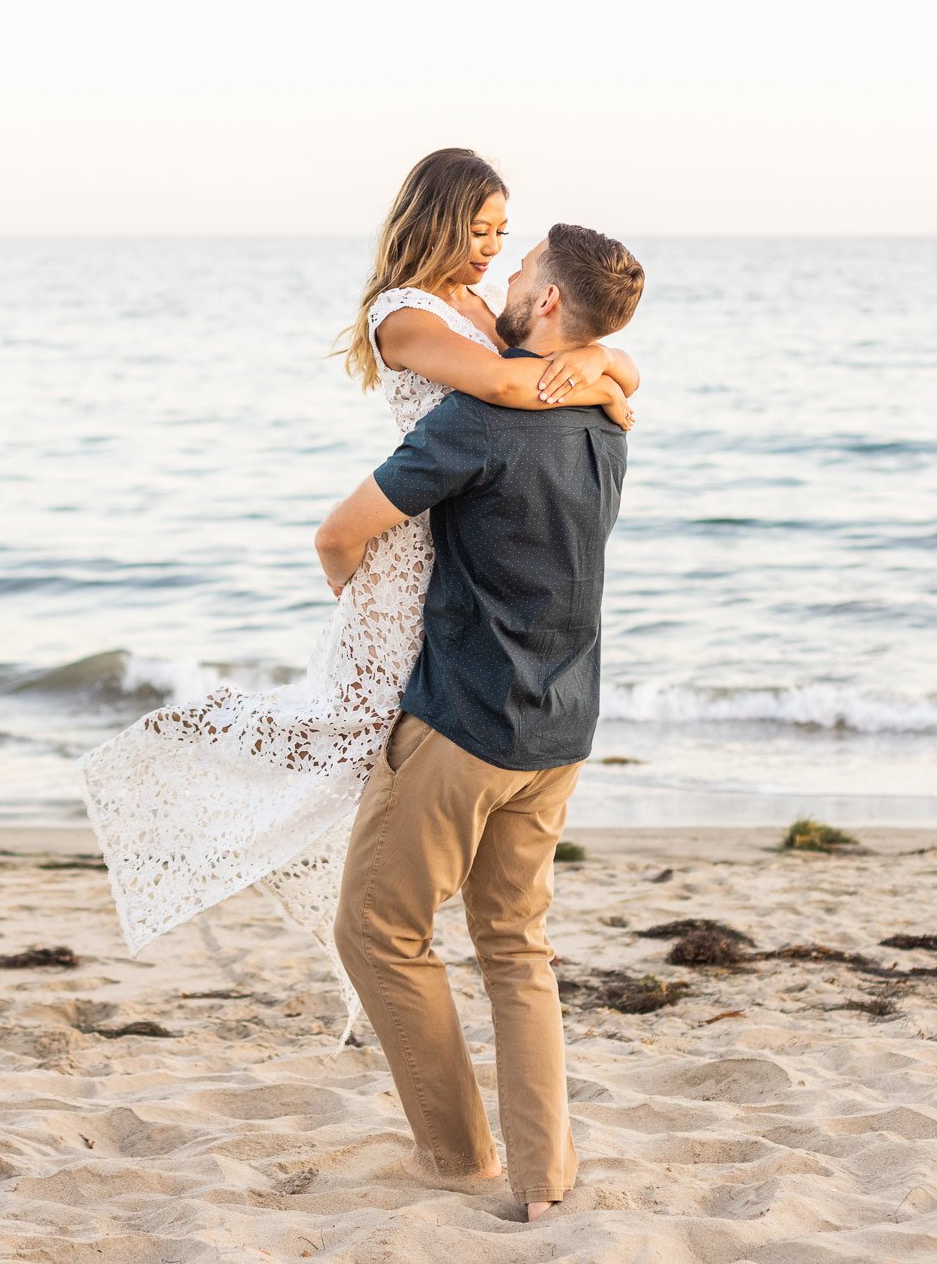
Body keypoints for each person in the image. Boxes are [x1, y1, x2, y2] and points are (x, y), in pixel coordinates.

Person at [75, 150, 641, 1047]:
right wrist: (599, 372)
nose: (494, 252)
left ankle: (373, 894)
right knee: (359, 727)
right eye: (480, 231)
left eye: (505, 236)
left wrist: (607, 358)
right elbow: (502, 386)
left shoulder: (476, 306)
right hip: (407, 536)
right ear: (435, 221)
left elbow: (557, 360)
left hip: (460, 537)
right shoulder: (403, 314)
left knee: (387, 736)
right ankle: (183, 781)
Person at [316, 223, 646, 1221]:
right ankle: (544, 1181)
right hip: (562, 723)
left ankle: (455, 1152)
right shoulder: (608, 416)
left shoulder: (476, 421)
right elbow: (609, 374)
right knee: (514, 944)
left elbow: (340, 533)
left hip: (461, 721)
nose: (503, 276)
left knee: (375, 928)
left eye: (520, 269)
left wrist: (366, 627)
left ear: (545, 304)